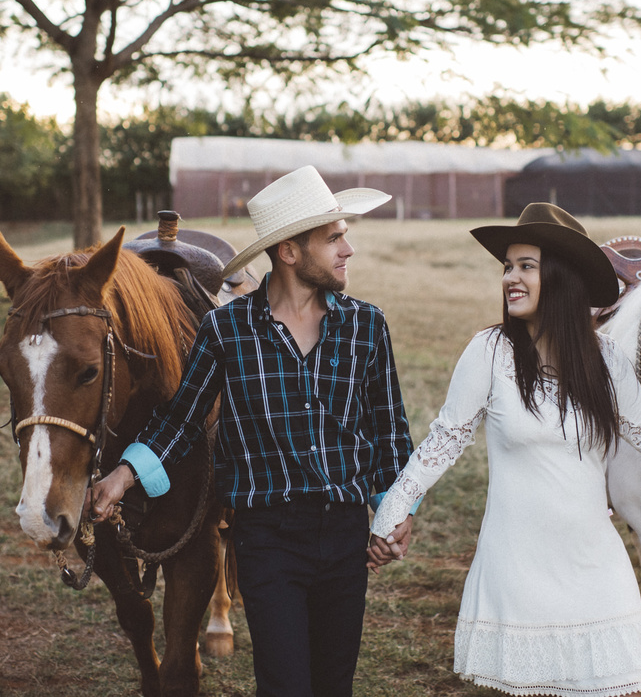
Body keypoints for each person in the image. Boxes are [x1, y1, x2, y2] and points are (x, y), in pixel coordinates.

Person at [367, 203, 641, 697]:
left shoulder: (605, 359)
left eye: (526, 266)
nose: (510, 278)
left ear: (561, 278)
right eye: (507, 266)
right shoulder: (489, 352)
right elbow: (443, 441)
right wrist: (391, 510)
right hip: (517, 569)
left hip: (593, 567)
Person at [89, 165, 413, 697]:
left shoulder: (366, 326)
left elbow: (388, 431)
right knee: (285, 684)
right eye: (333, 238)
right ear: (289, 251)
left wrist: (394, 514)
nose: (347, 249)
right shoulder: (227, 330)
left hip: (343, 536)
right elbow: (182, 420)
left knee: (334, 685)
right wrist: (123, 476)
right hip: (267, 538)